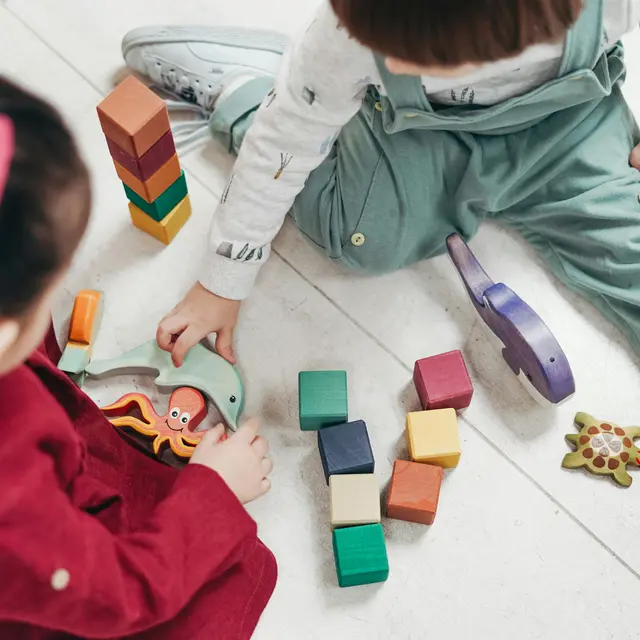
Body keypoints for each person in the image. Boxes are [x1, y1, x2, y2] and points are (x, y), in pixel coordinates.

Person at [122, 0, 640, 367]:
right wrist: (221, 283)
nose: (394, 62)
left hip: (572, 125)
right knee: (353, 236)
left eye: (423, 57)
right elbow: (286, 140)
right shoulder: (345, 37)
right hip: (420, 133)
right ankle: (247, 91)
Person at [0, 77, 275, 639]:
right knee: (229, 580)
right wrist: (214, 492)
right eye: (43, 291)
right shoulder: (13, 509)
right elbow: (121, 595)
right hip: (65, 591)